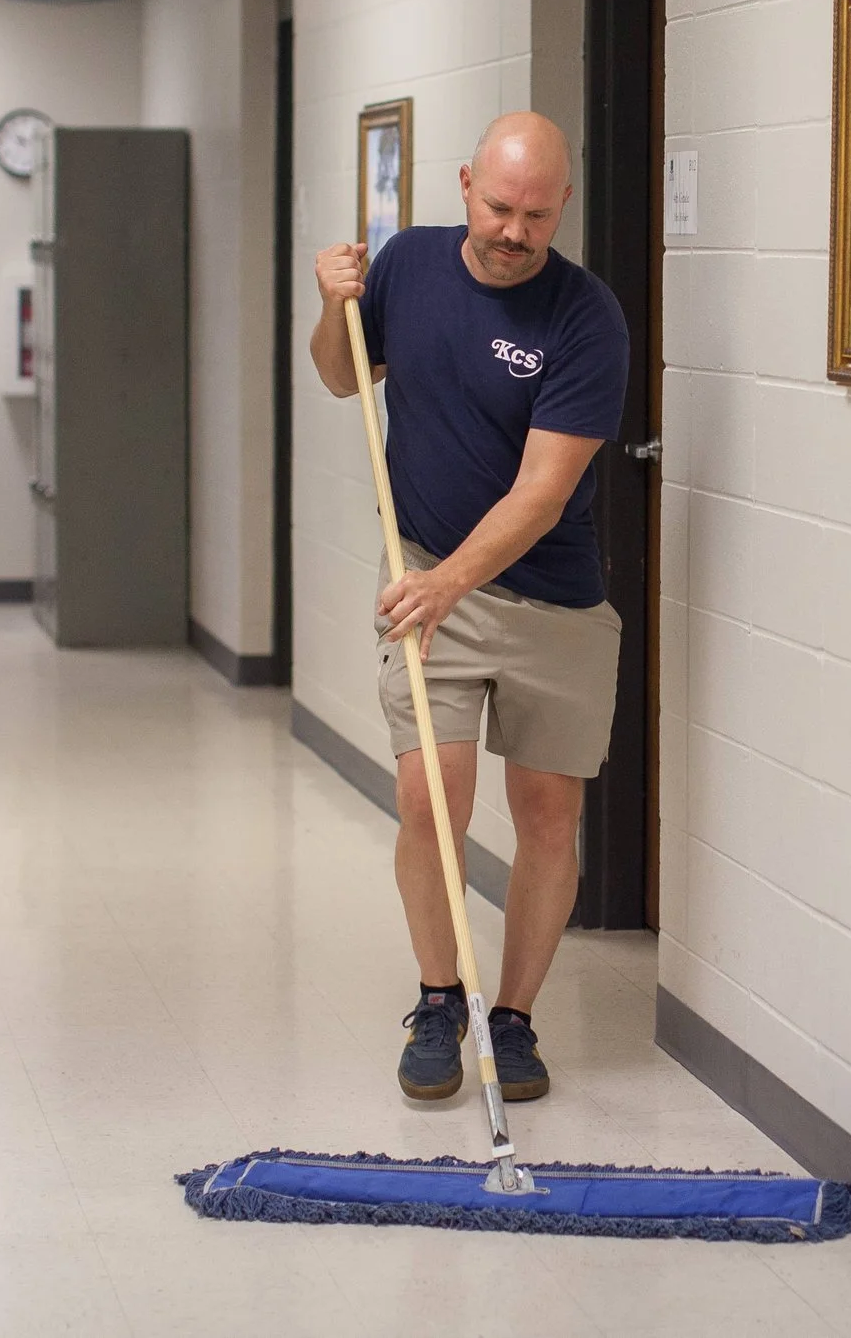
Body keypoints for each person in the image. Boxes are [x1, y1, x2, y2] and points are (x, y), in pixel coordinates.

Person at [309, 110, 629, 1103]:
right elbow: (340, 375)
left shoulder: (586, 318)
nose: (515, 230)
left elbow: (540, 494)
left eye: (536, 213)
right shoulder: (406, 266)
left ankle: (516, 1017)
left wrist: (449, 583)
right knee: (430, 801)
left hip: (552, 601)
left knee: (548, 816)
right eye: (500, 206)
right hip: (429, 576)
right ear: (463, 185)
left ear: (560, 205)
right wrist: (333, 306)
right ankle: (440, 1000)